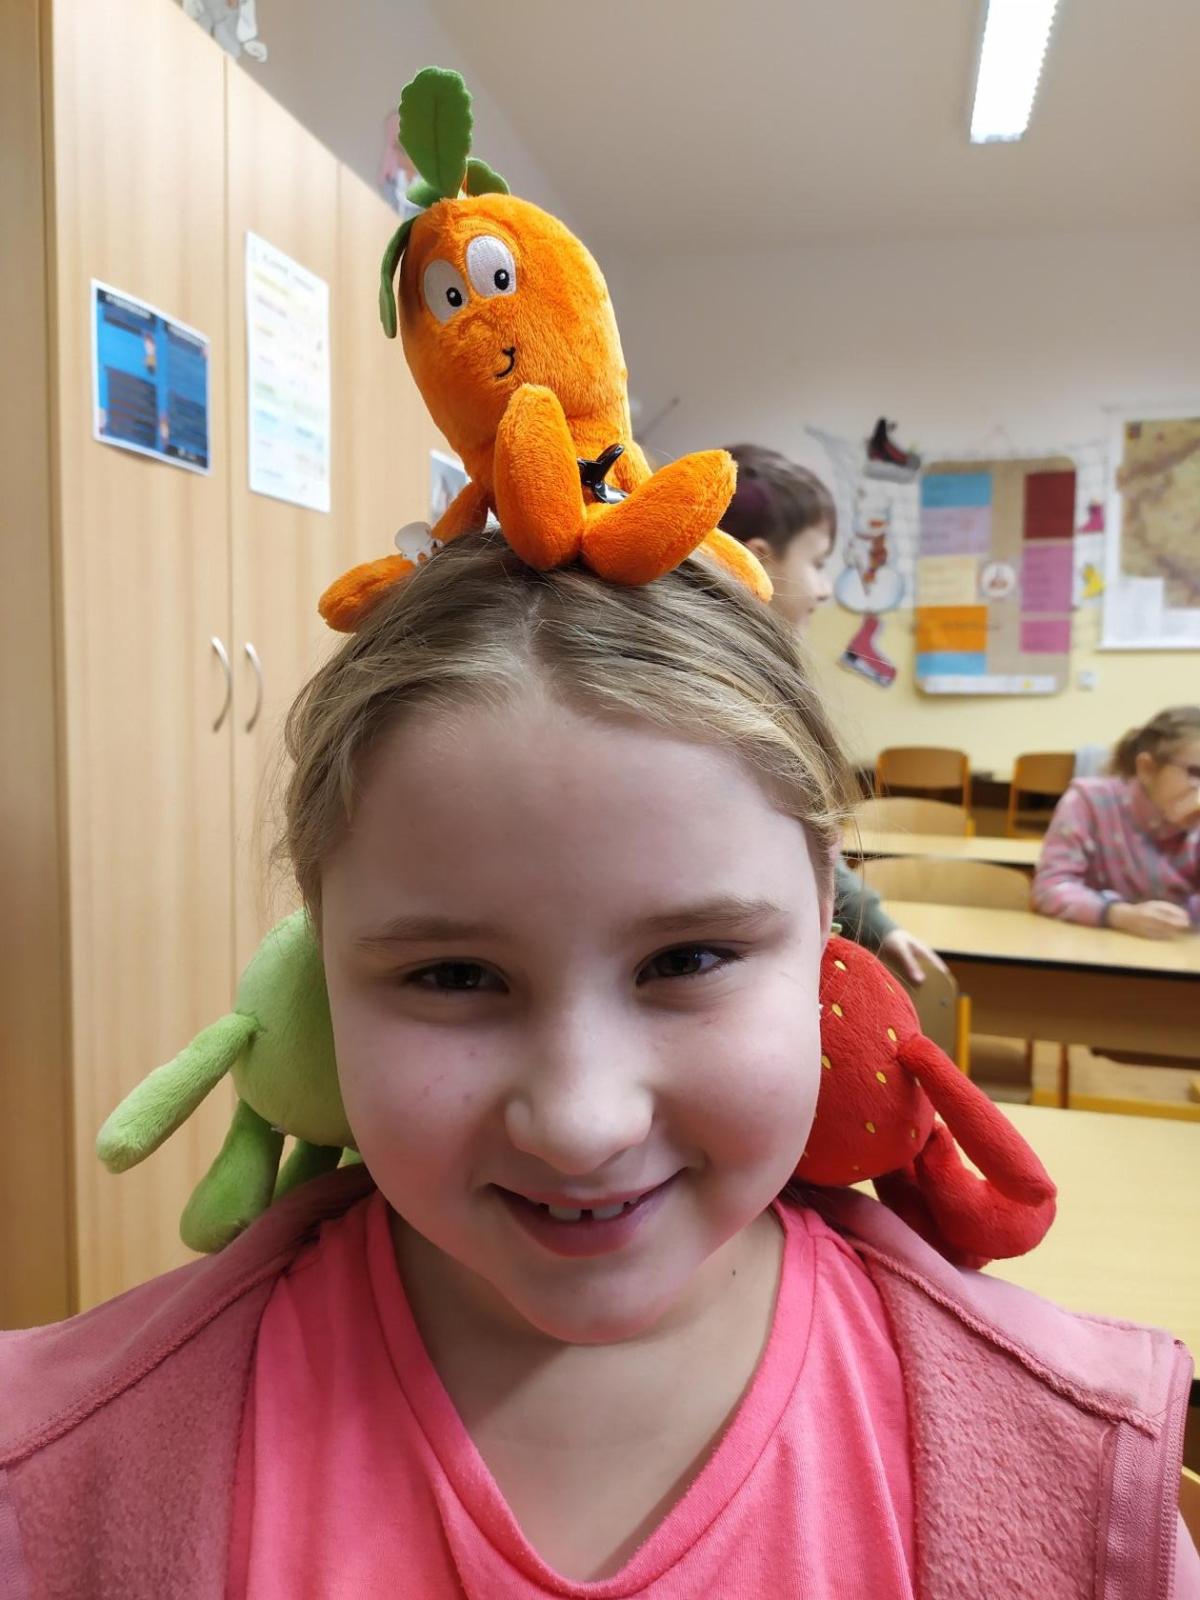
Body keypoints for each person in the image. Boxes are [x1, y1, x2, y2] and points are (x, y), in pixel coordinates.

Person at [2, 532, 1195, 1597]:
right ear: (315, 982)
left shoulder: (1084, 1476)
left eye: (689, 960)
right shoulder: (54, 1477)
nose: (580, 1121)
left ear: (827, 933)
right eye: (454, 976)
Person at [721, 442, 947, 987]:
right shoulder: (729, 699)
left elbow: (813, 841)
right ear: (760, 559)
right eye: (818, 563)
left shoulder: (762, 681)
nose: (825, 589)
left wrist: (875, 922)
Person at [1033, 704, 1200, 937]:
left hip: (1174, 950)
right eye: (1196, 773)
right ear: (1147, 769)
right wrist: (1118, 915)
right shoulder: (1089, 801)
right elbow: (1050, 887)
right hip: (1091, 945)